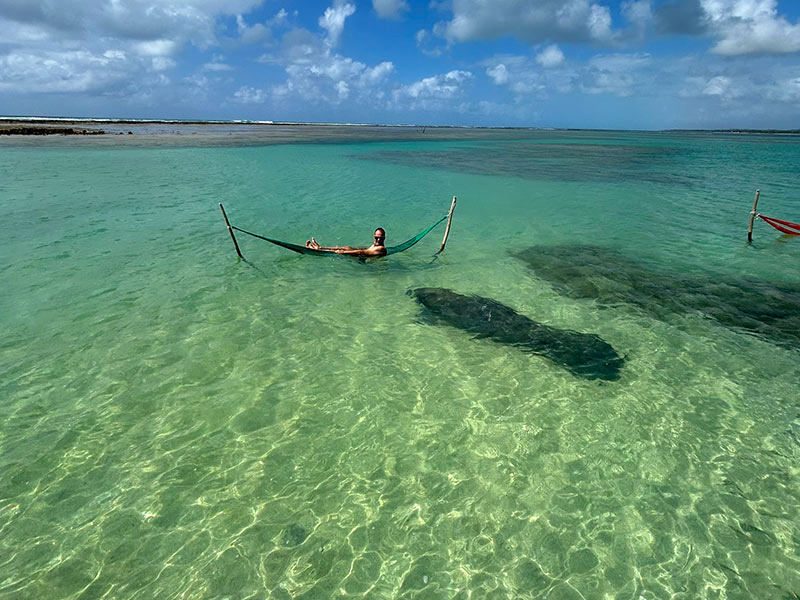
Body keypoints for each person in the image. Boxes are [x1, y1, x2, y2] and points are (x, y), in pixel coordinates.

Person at [306, 228, 388, 257]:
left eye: (380, 238)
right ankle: (320, 248)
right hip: (362, 255)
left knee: (343, 250)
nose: (378, 240)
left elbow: (362, 252)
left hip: (362, 259)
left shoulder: (381, 248)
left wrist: (344, 252)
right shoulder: (375, 244)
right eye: (376, 237)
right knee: (347, 246)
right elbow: (366, 250)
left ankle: (319, 250)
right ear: (374, 236)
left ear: (384, 239)